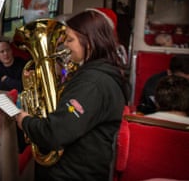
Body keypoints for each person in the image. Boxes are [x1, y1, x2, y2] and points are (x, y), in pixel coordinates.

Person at [15, 10, 130, 181]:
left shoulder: (93, 83)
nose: (65, 45)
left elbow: (53, 134)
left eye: (70, 39)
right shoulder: (93, 75)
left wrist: (24, 120)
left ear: (89, 42)